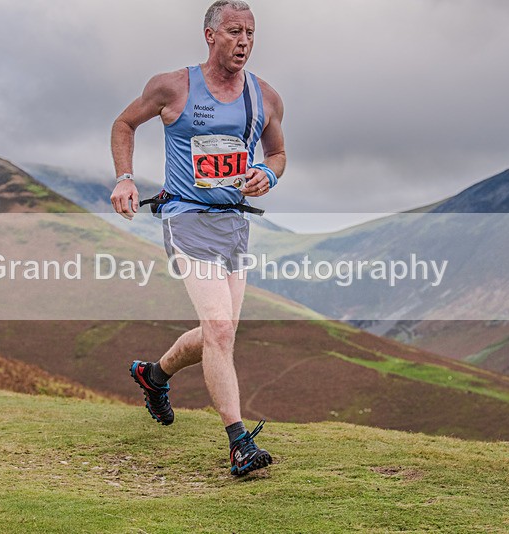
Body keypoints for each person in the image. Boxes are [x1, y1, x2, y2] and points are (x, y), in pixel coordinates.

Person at [110, 0, 285, 476]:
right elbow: (124, 123)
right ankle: (239, 443)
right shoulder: (174, 87)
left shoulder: (264, 97)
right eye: (233, 31)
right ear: (210, 35)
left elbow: (279, 151)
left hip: (234, 223)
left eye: (250, 32)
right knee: (221, 330)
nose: (244, 40)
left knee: (218, 332)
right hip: (186, 218)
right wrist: (125, 178)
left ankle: (154, 375)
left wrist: (268, 173)